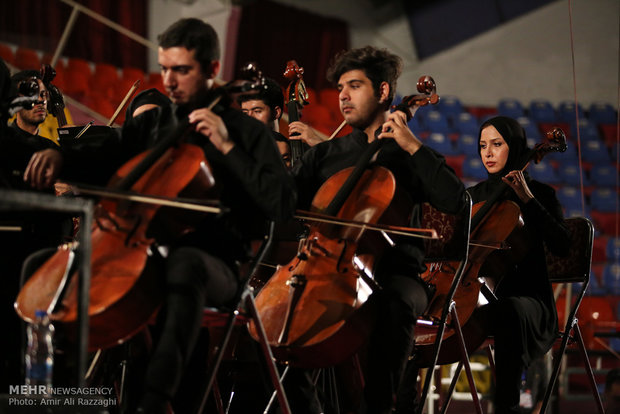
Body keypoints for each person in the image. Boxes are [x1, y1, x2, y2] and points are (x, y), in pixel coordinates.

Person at [21, 18, 296, 413]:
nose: (169, 80)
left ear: (212, 70)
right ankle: (54, 396)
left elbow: (281, 202)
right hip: (147, 249)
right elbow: (106, 152)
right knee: (42, 266)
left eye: (181, 70)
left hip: (220, 262)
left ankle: (154, 402)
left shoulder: (246, 132)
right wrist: (60, 156)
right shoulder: (156, 122)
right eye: (165, 68)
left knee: (184, 266)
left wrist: (226, 145)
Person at [288, 45, 466, 414]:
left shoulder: (407, 154)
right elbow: (282, 206)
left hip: (397, 274)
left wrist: (413, 145)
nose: (343, 96)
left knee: (395, 303)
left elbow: (455, 202)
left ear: (383, 92)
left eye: (354, 86)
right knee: (285, 316)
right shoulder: (326, 155)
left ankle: (381, 407)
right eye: (340, 88)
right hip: (329, 272)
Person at [467, 116, 570, 414]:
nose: (488, 152)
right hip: (482, 297)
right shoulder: (473, 197)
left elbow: (562, 246)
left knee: (509, 310)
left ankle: (506, 407)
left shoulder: (540, 193)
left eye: (497, 144)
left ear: (513, 148)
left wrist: (527, 199)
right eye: (483, 145)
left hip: (531, 304)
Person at [237, 77, 291, 167]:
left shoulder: (288, 149)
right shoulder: (235, 147)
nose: (249, 118)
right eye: (245, 113)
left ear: (276, 112)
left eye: (257, 111)